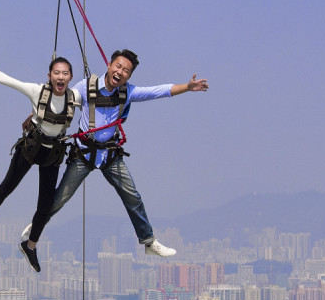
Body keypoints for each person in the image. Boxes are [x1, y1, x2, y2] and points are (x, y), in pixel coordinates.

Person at [28, 49, 208, 259]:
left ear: (129, 76)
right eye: (118, 66)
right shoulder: (86, 87)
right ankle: (35, 228)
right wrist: (33, 116)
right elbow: (58, 100)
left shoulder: (128, 92)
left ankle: (148, 241)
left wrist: (187, 87)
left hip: (110, 155)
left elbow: (158, 91)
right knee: (59, 198)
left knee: (133, 197)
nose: (120, 72)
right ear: (109, 65)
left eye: (126, 71)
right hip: (84, 154)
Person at [0, 49, 81, 272]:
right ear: (49, 76)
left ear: (71, 77)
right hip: (31, 147)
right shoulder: (37, 91)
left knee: (45, 206)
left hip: (53, 153)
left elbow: (100, 96)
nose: (60, 77)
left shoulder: (75, 97)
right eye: (56, 73)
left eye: (65, 73)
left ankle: (30, 246)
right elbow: (5, 79)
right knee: (7, 186)